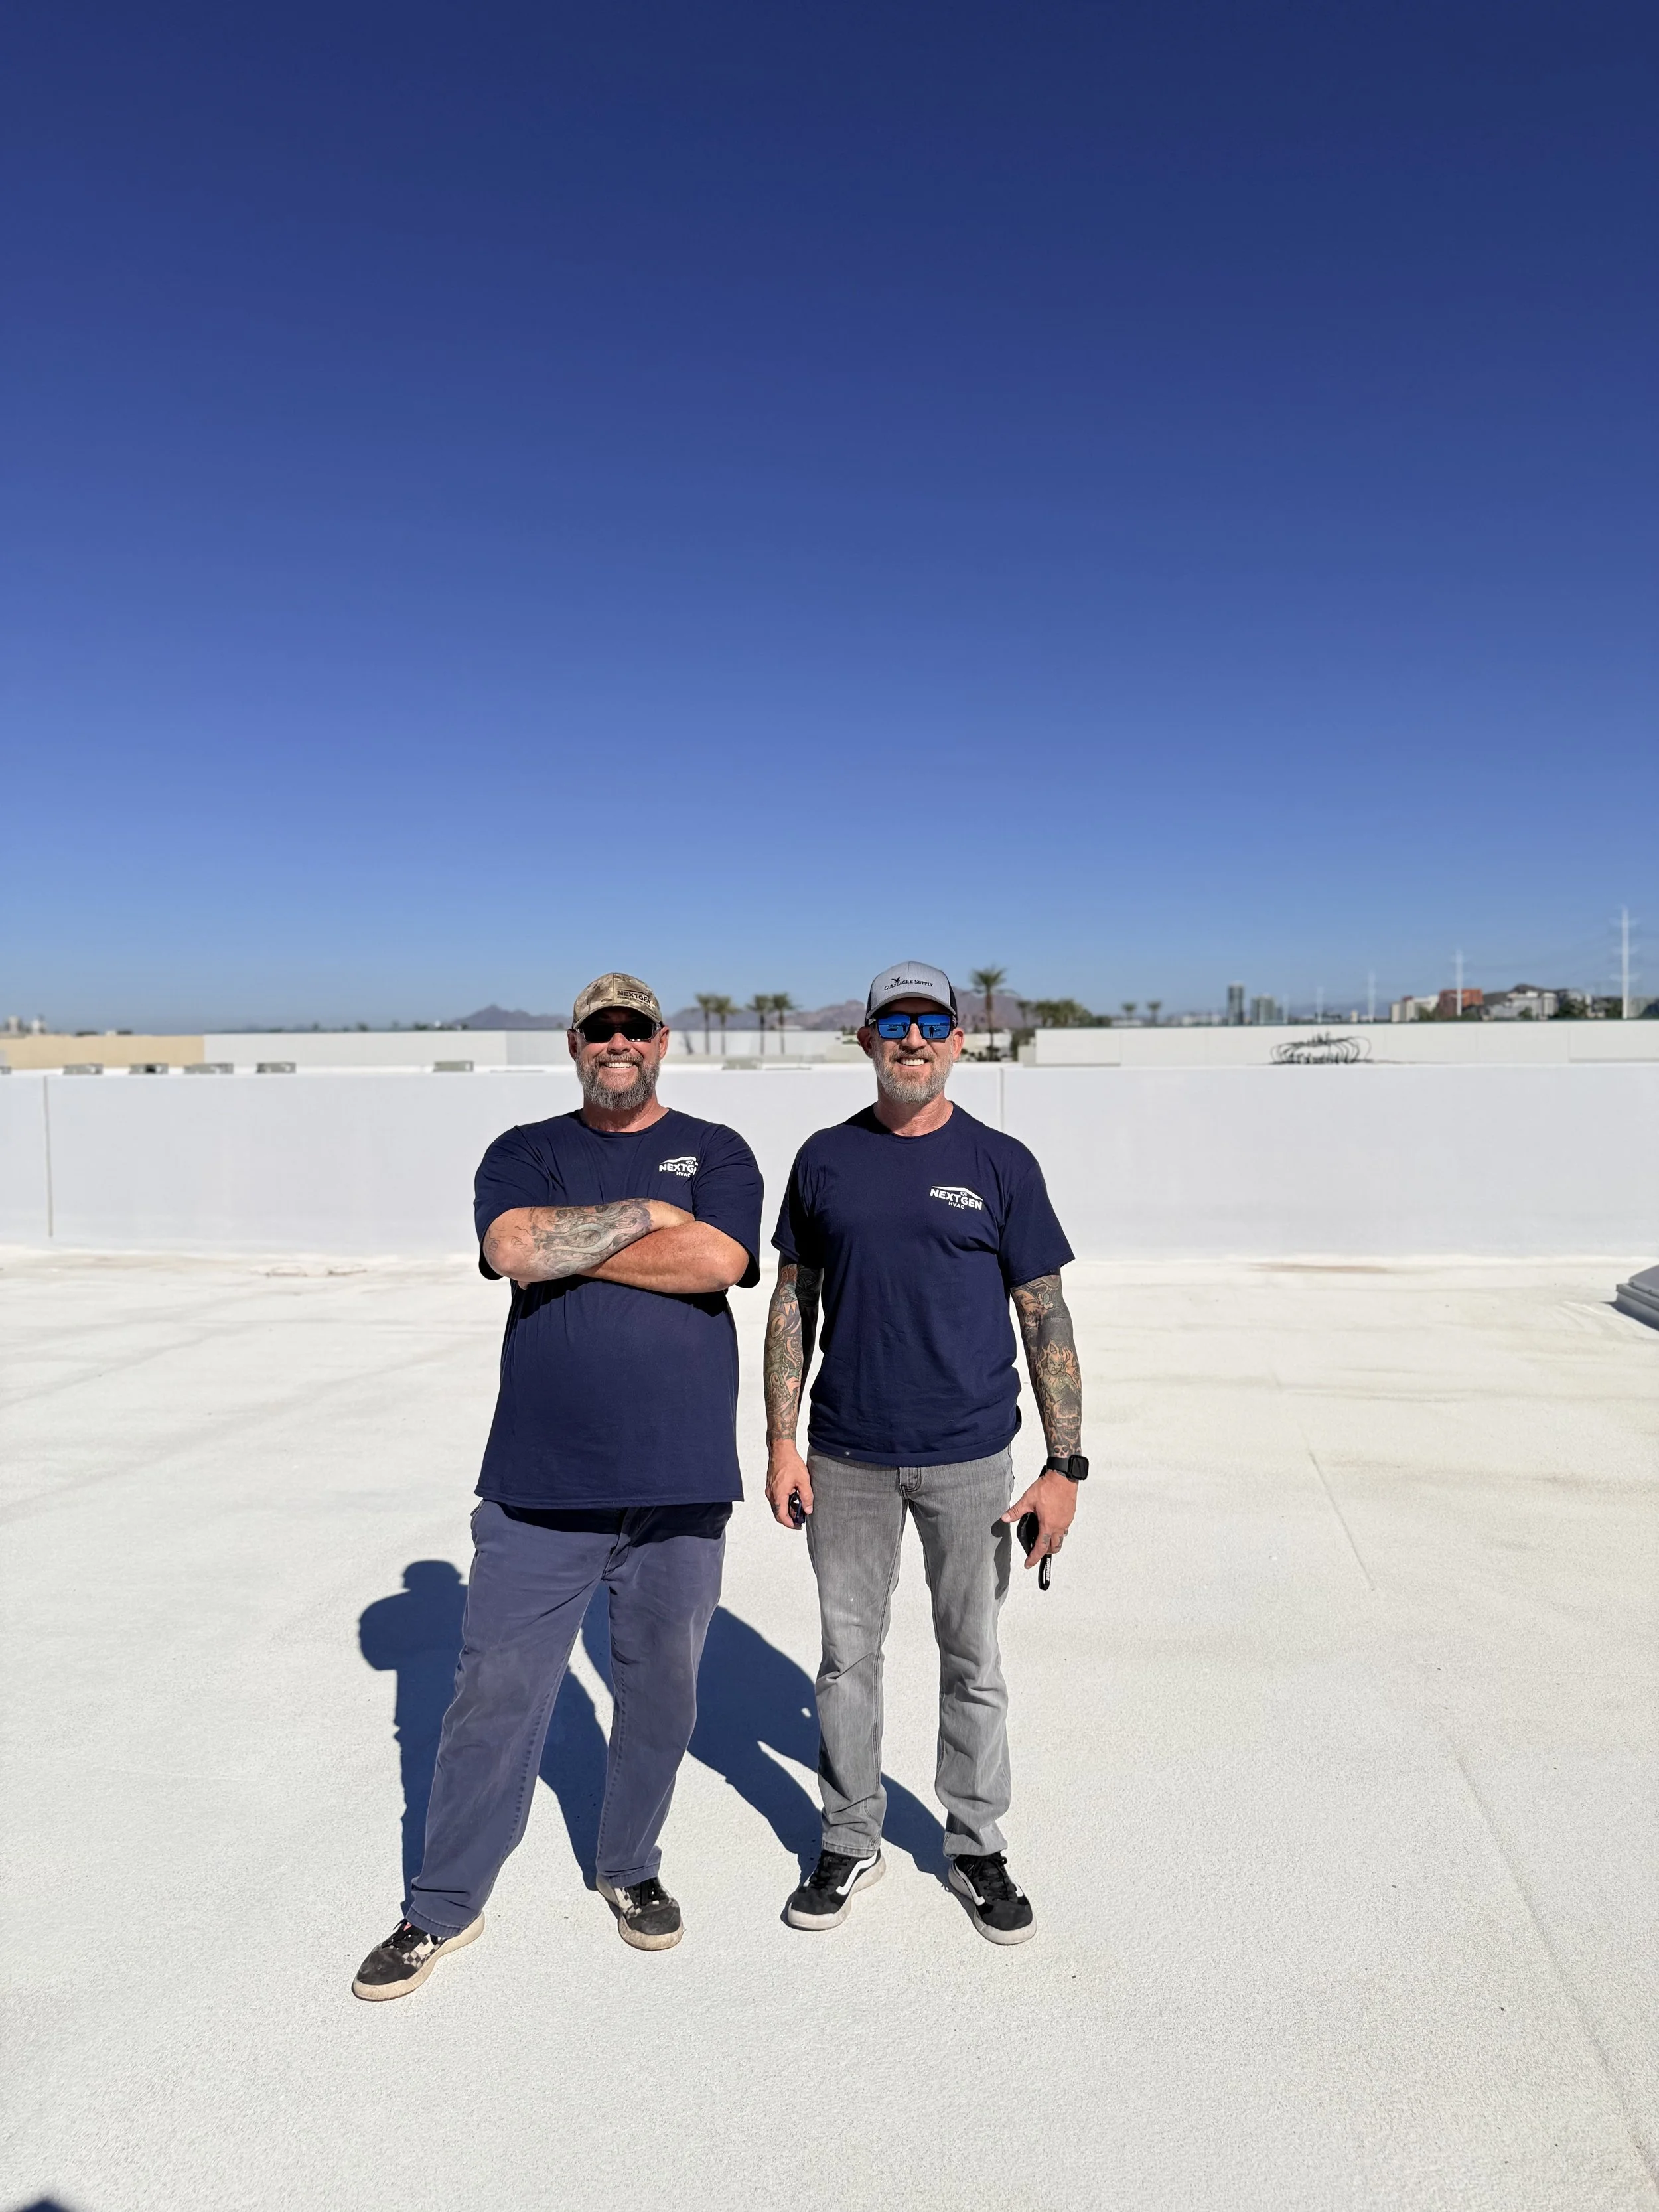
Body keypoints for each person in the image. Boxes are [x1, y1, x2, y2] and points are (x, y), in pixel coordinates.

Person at [352, 974, 762, 1998]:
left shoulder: (719, 1150)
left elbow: (718, 1260)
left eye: (634, 1028)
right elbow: (511, 1246)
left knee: (661, 1695)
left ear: (661, 1039)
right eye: (599, 1030)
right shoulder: (523, 1150)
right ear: (574, 1042)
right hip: (541, 1486)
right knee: (493, 1697)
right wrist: (648, 1218)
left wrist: (579, 1244)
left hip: (680, 1485)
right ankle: (442, 1904)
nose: (617, 1043)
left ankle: (630, 1868)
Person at [764, 960, 1084, 1945]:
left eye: (930, 1024)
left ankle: (975, 1843)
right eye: (892, 1023)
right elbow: (791, 1302)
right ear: (865, 1040)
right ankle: (850, 1835)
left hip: (970, 1461)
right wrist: (782, 1440)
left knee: (972, 1659)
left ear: (956, 1042)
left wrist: (1064, 1467)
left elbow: (1046, 1314)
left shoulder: (1002, 1163)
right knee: (844, 1660)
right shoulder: (823, 1159)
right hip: (847, 1456)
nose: (912, 1039)